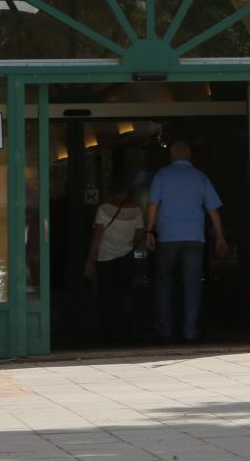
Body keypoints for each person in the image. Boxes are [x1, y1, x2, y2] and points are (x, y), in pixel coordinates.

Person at [145, 139, 228, 343]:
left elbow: (153, 205)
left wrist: (149, 231)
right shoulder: (200, 177)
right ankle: (190, 330)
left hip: (168, 237)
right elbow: (213, 210)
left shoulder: (162, 175)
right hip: (194, 238)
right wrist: (219, 236)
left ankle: (165, 329)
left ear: (172, 155)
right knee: (192, 284)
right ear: (189, 155)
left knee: (164, 282)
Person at [83, 181, 143, 344]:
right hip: (126, 256)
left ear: (111, 193)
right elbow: (139, 234)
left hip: (105, 257)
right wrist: (129, 246)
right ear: (126, 192)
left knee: (107, 295)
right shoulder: (136, 210)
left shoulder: (103, 209)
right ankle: (128, 331)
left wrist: (90, 259)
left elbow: (97, 236)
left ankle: (111, 333)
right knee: (125, 293)